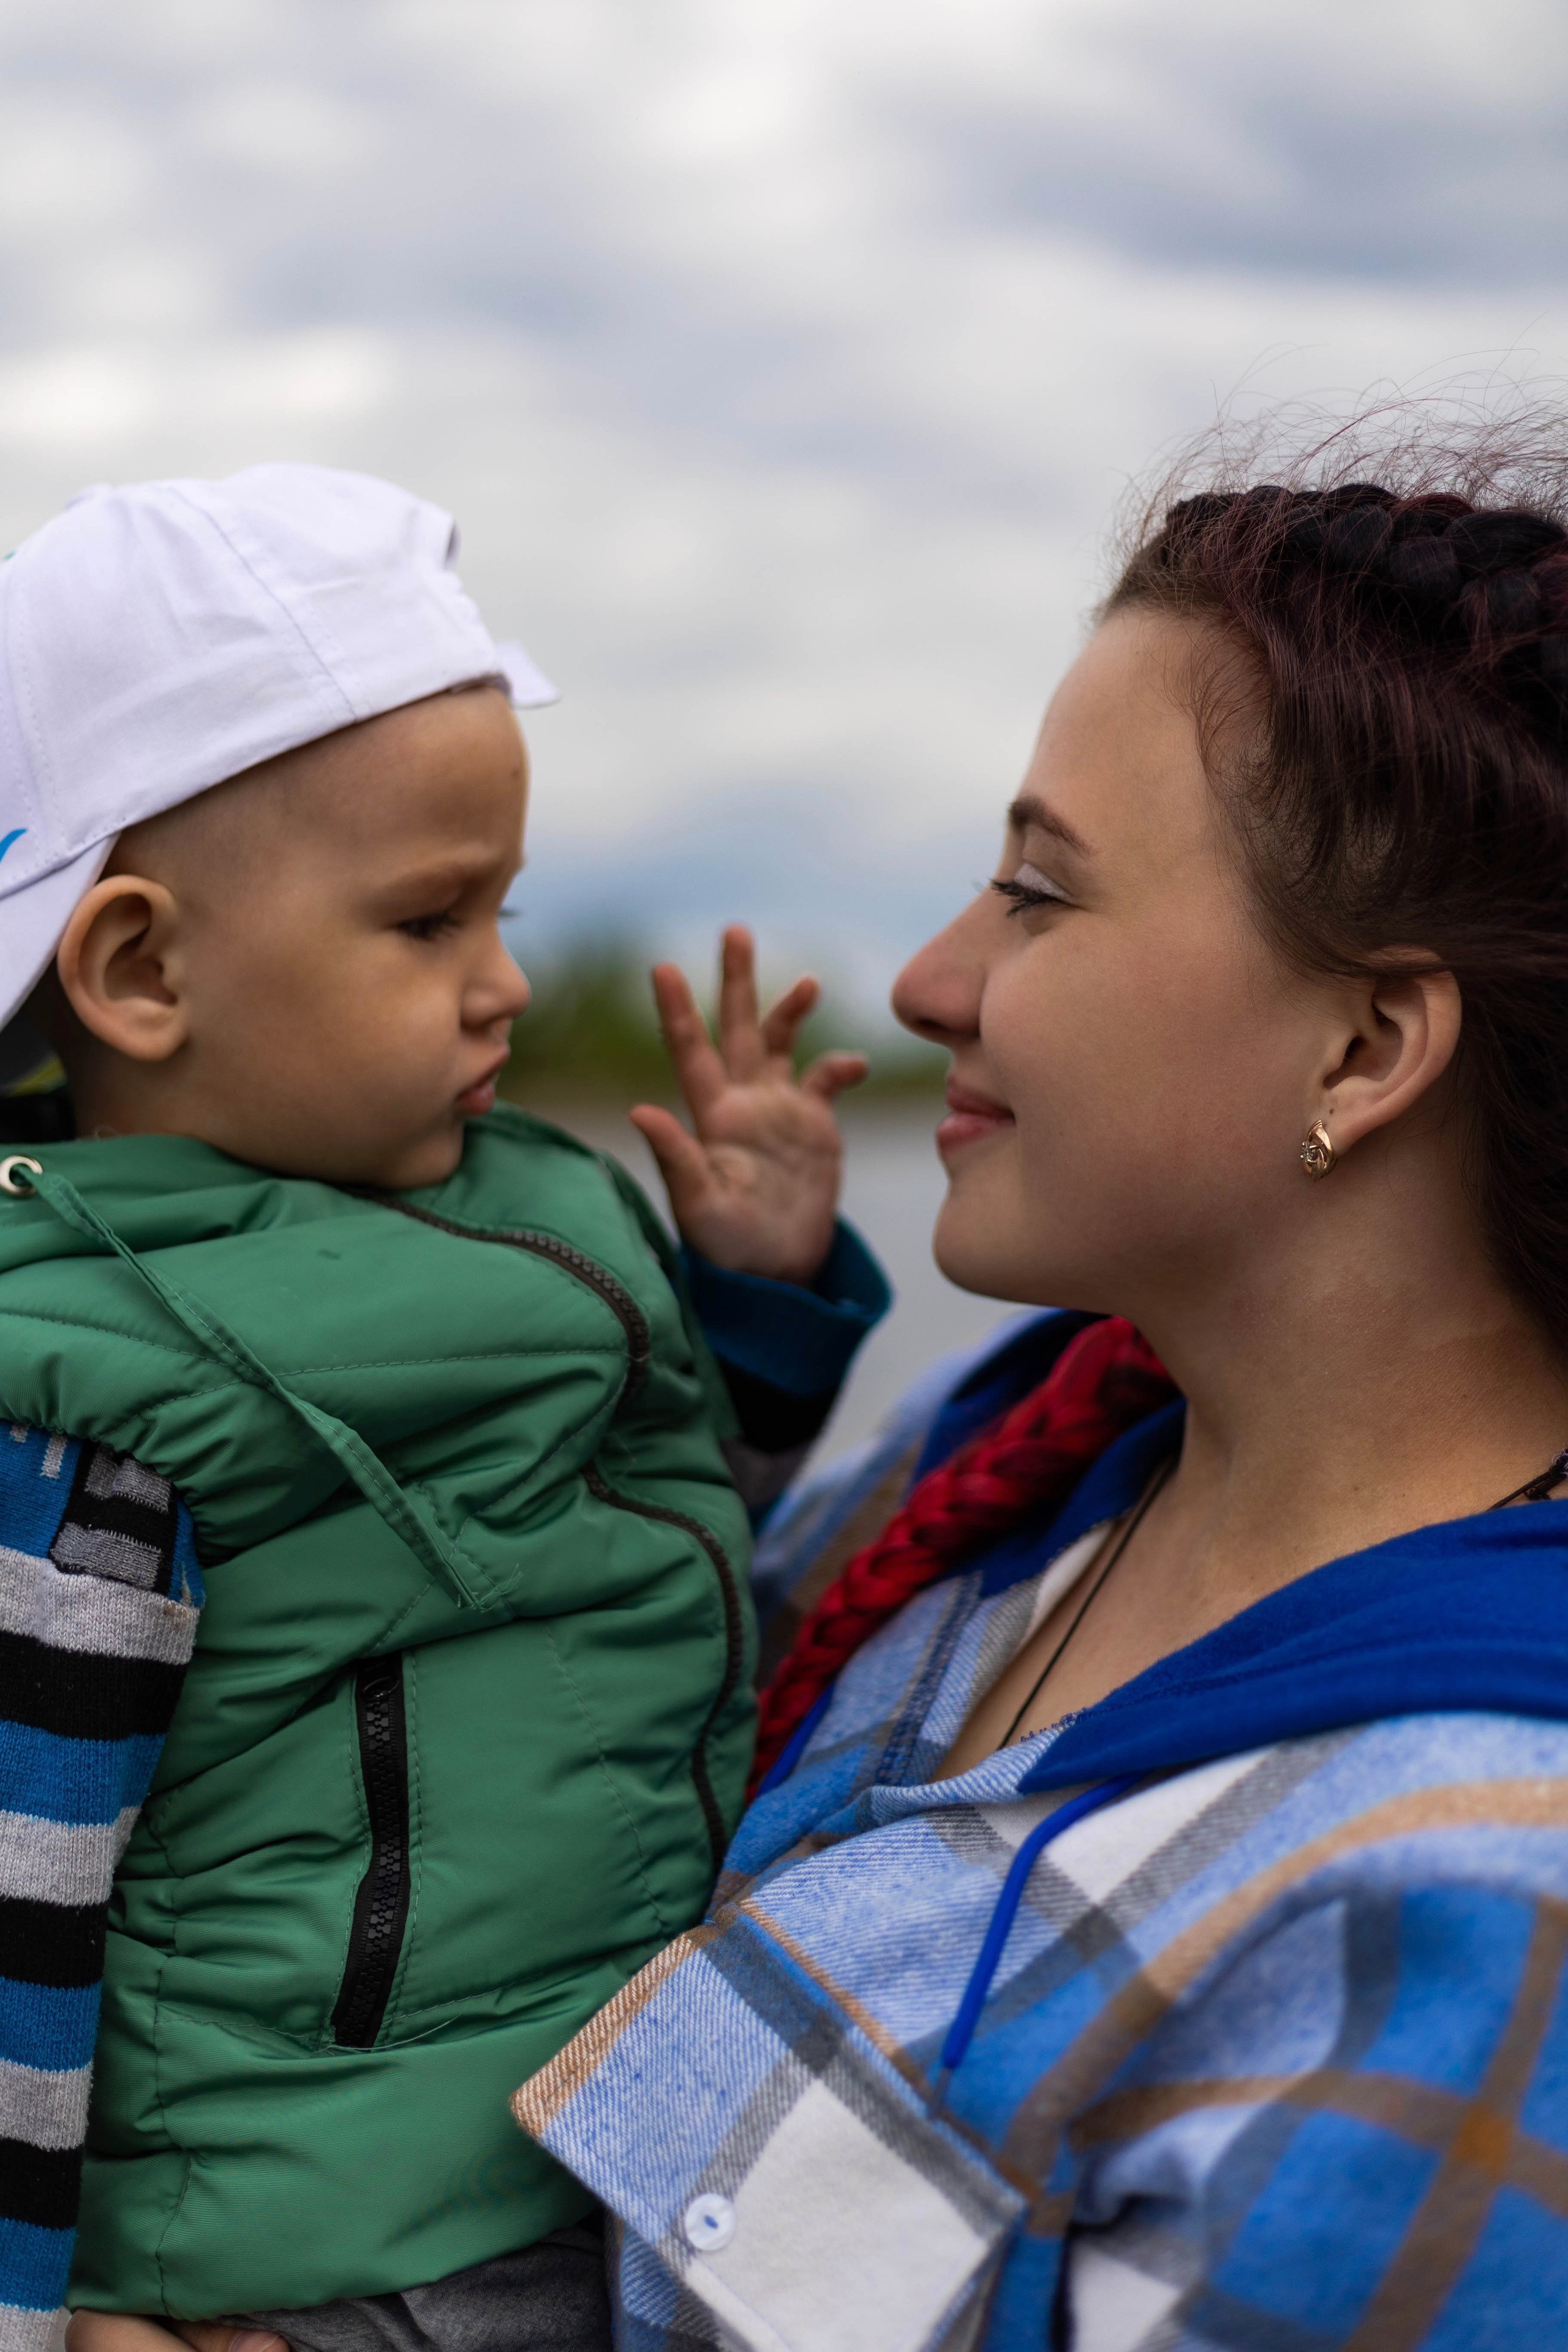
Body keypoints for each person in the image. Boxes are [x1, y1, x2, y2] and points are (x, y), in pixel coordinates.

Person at [504, 420, 1568, 2348]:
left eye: (1039, 892)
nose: (925, 983)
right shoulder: (1009, 1464)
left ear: (1366, 1048)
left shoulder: (1481, 1912)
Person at [0, 464, 888, 2352]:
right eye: (428, 923)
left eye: (506, 907)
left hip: (624, 2141)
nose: (502, 988)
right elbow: (14, 1903)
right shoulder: (83, 1400)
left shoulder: (511, 1202)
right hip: (329, 2260)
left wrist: (758, 1300)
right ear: (142, 969)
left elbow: (639, 1538)